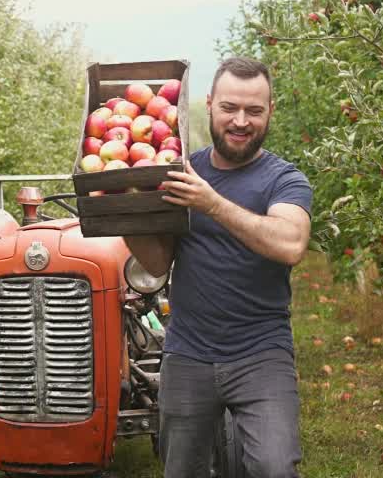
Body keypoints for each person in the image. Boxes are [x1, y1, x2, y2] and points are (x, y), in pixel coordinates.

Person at [124, 56, 313, 478]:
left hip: (261, 353)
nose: (240, 120)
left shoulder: (284, 179)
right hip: (188, 351)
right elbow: (156, 264)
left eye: (254, 110)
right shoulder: (180, 173)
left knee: (274, 467)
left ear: (270, 112)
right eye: (230, 107)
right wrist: (124, 211)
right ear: (209, 105)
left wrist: (211, 204)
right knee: (182, 470)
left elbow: (290, 244)